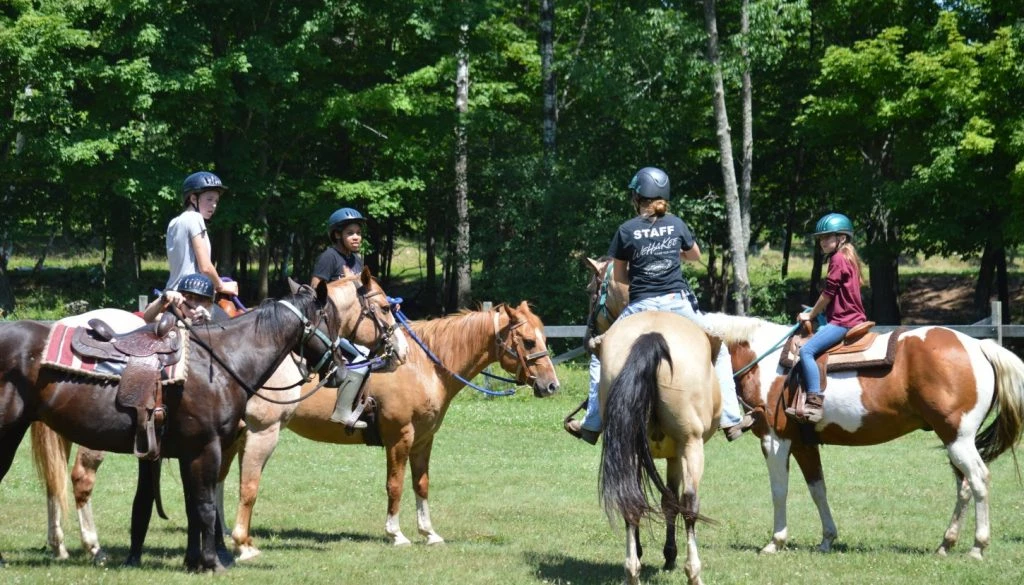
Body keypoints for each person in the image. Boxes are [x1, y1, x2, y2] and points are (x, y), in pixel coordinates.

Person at [565, 166, 754, 445]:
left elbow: (618, 278)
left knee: (599, 350)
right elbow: (695, 255)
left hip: (640, 305)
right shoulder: (676, 224)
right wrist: (671, 251)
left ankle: (592, 422)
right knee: (720, 347)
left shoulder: (625, 230)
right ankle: (730, 418)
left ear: (636, 198)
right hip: (678, 304)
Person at [785, 213, 867, 423]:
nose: (822, 241)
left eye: (827, 237)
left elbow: (828, 294)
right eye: (820, 238)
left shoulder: (838, 259)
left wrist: (811, 314)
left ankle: (814, 402)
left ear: (841, 238)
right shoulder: (849, 257)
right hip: (852, 317)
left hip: (843, 321)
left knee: (807, 351)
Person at [313, 207, 371, 428]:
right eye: (350, 233)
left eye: (358, 232)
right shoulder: (329, 257)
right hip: (329, 326)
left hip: (350, 325)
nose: (356, 236)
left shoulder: (356, 259)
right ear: (337, 234)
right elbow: (315, 291)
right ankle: (342, 411)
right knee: (361, 357)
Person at [166, 171, 239, 297]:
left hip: (171, 291)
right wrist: (221, 285)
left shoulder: (174, 222)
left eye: (216, 200)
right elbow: (205, 267)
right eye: (209, 199)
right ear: (193, 199)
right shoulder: (195, 218)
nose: (214, 204)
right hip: (191, 294)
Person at [142, 273, 226, 325]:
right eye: (189, 297)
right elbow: (147, 318)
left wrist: (207, 324)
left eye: (200, 299)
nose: (193, 303)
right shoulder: (177, 312)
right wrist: (163, 299)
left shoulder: (220, 318)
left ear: (209, 303)